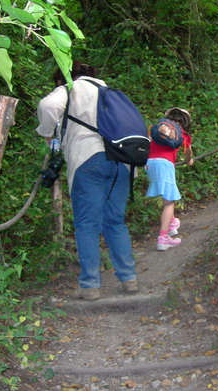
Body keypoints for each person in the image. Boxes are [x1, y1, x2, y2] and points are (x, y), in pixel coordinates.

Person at [36, 61, 138, 300]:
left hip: (88, 159)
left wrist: (46, 132)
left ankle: (90, 285)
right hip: (122, 162)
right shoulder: (110, 92)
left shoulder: (70, 88)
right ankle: (129, 278)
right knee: (115, 221)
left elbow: (48, 105)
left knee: (87, 224)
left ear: (64, 78)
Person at [145, 107, 194, 251]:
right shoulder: (183, 135)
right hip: (165, 165)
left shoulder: (156, 128)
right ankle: (163, 237)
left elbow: (148, 142)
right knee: (169, 202)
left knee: (166, 197)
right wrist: (189, 160)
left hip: (149, 164)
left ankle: (172, 223)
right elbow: (188, 155)